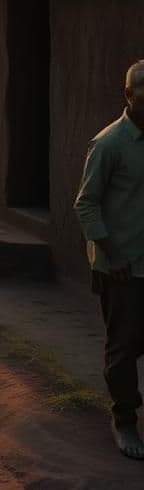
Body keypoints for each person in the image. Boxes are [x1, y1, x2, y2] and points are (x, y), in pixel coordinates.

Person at [74, 61, 144, 459]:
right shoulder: (109, 144)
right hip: (122, 267)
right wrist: (111, 252)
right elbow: (86, 205)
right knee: (122, 345)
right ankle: (125, 421)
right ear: (129, 97)